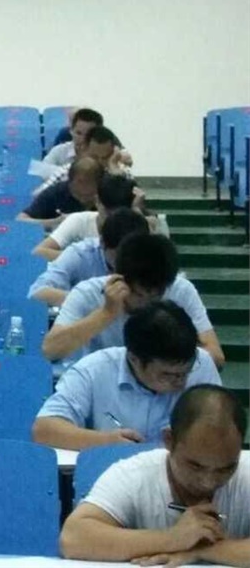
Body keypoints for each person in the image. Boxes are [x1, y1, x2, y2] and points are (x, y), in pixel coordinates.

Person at [60, 384, 249, 566]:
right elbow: (73, 538)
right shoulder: (133, 475)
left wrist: (201, 551)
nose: (208, 482)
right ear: (169, 440)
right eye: (195, 466)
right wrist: (172, 538)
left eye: (226, 468)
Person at [32, 301, 221, 451]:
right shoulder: (94, 369)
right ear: (134, 359)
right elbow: (44, 429)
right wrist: (104, 442)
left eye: (187, 372)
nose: (181, 382)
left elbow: (222, 426)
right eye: (168, 375)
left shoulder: (202, 363)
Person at [42, 234, 225, 368]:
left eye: (155, 296)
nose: (146, 303)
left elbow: (216, 357)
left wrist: (166, 355)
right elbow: (51, 350)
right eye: (138, 295)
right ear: (118, 278)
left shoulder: (181, 290)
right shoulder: (88, 293)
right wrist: (106, 313)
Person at [28, 209, 149, 307]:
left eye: (135, 255)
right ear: (102, 243)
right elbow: (38, 292)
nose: (127, 262)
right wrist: (90, 302)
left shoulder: (152, 258)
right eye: (119, 255)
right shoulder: (80, 254)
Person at [32, 174, 139, 261]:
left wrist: (138, 209)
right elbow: (39, 252)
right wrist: (85, 259)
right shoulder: (78, 221)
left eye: (120, 215)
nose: (113, 220)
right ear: (97, 201)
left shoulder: (136, 228)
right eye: (108, 213)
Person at [34, 125, 131, 195]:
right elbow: (38, 195)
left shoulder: (122, 172)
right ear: (84, 149)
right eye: (94, 157)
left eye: (105, 158)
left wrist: (114, 170)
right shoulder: (67, 172)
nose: (99, 162)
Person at [17, 156, 104, 229]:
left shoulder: (107, 194)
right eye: (78, 195)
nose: (83, 200)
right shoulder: (56, 193)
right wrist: (56, 222)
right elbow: (21, 220)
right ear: (69, 182)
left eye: (89, 196)